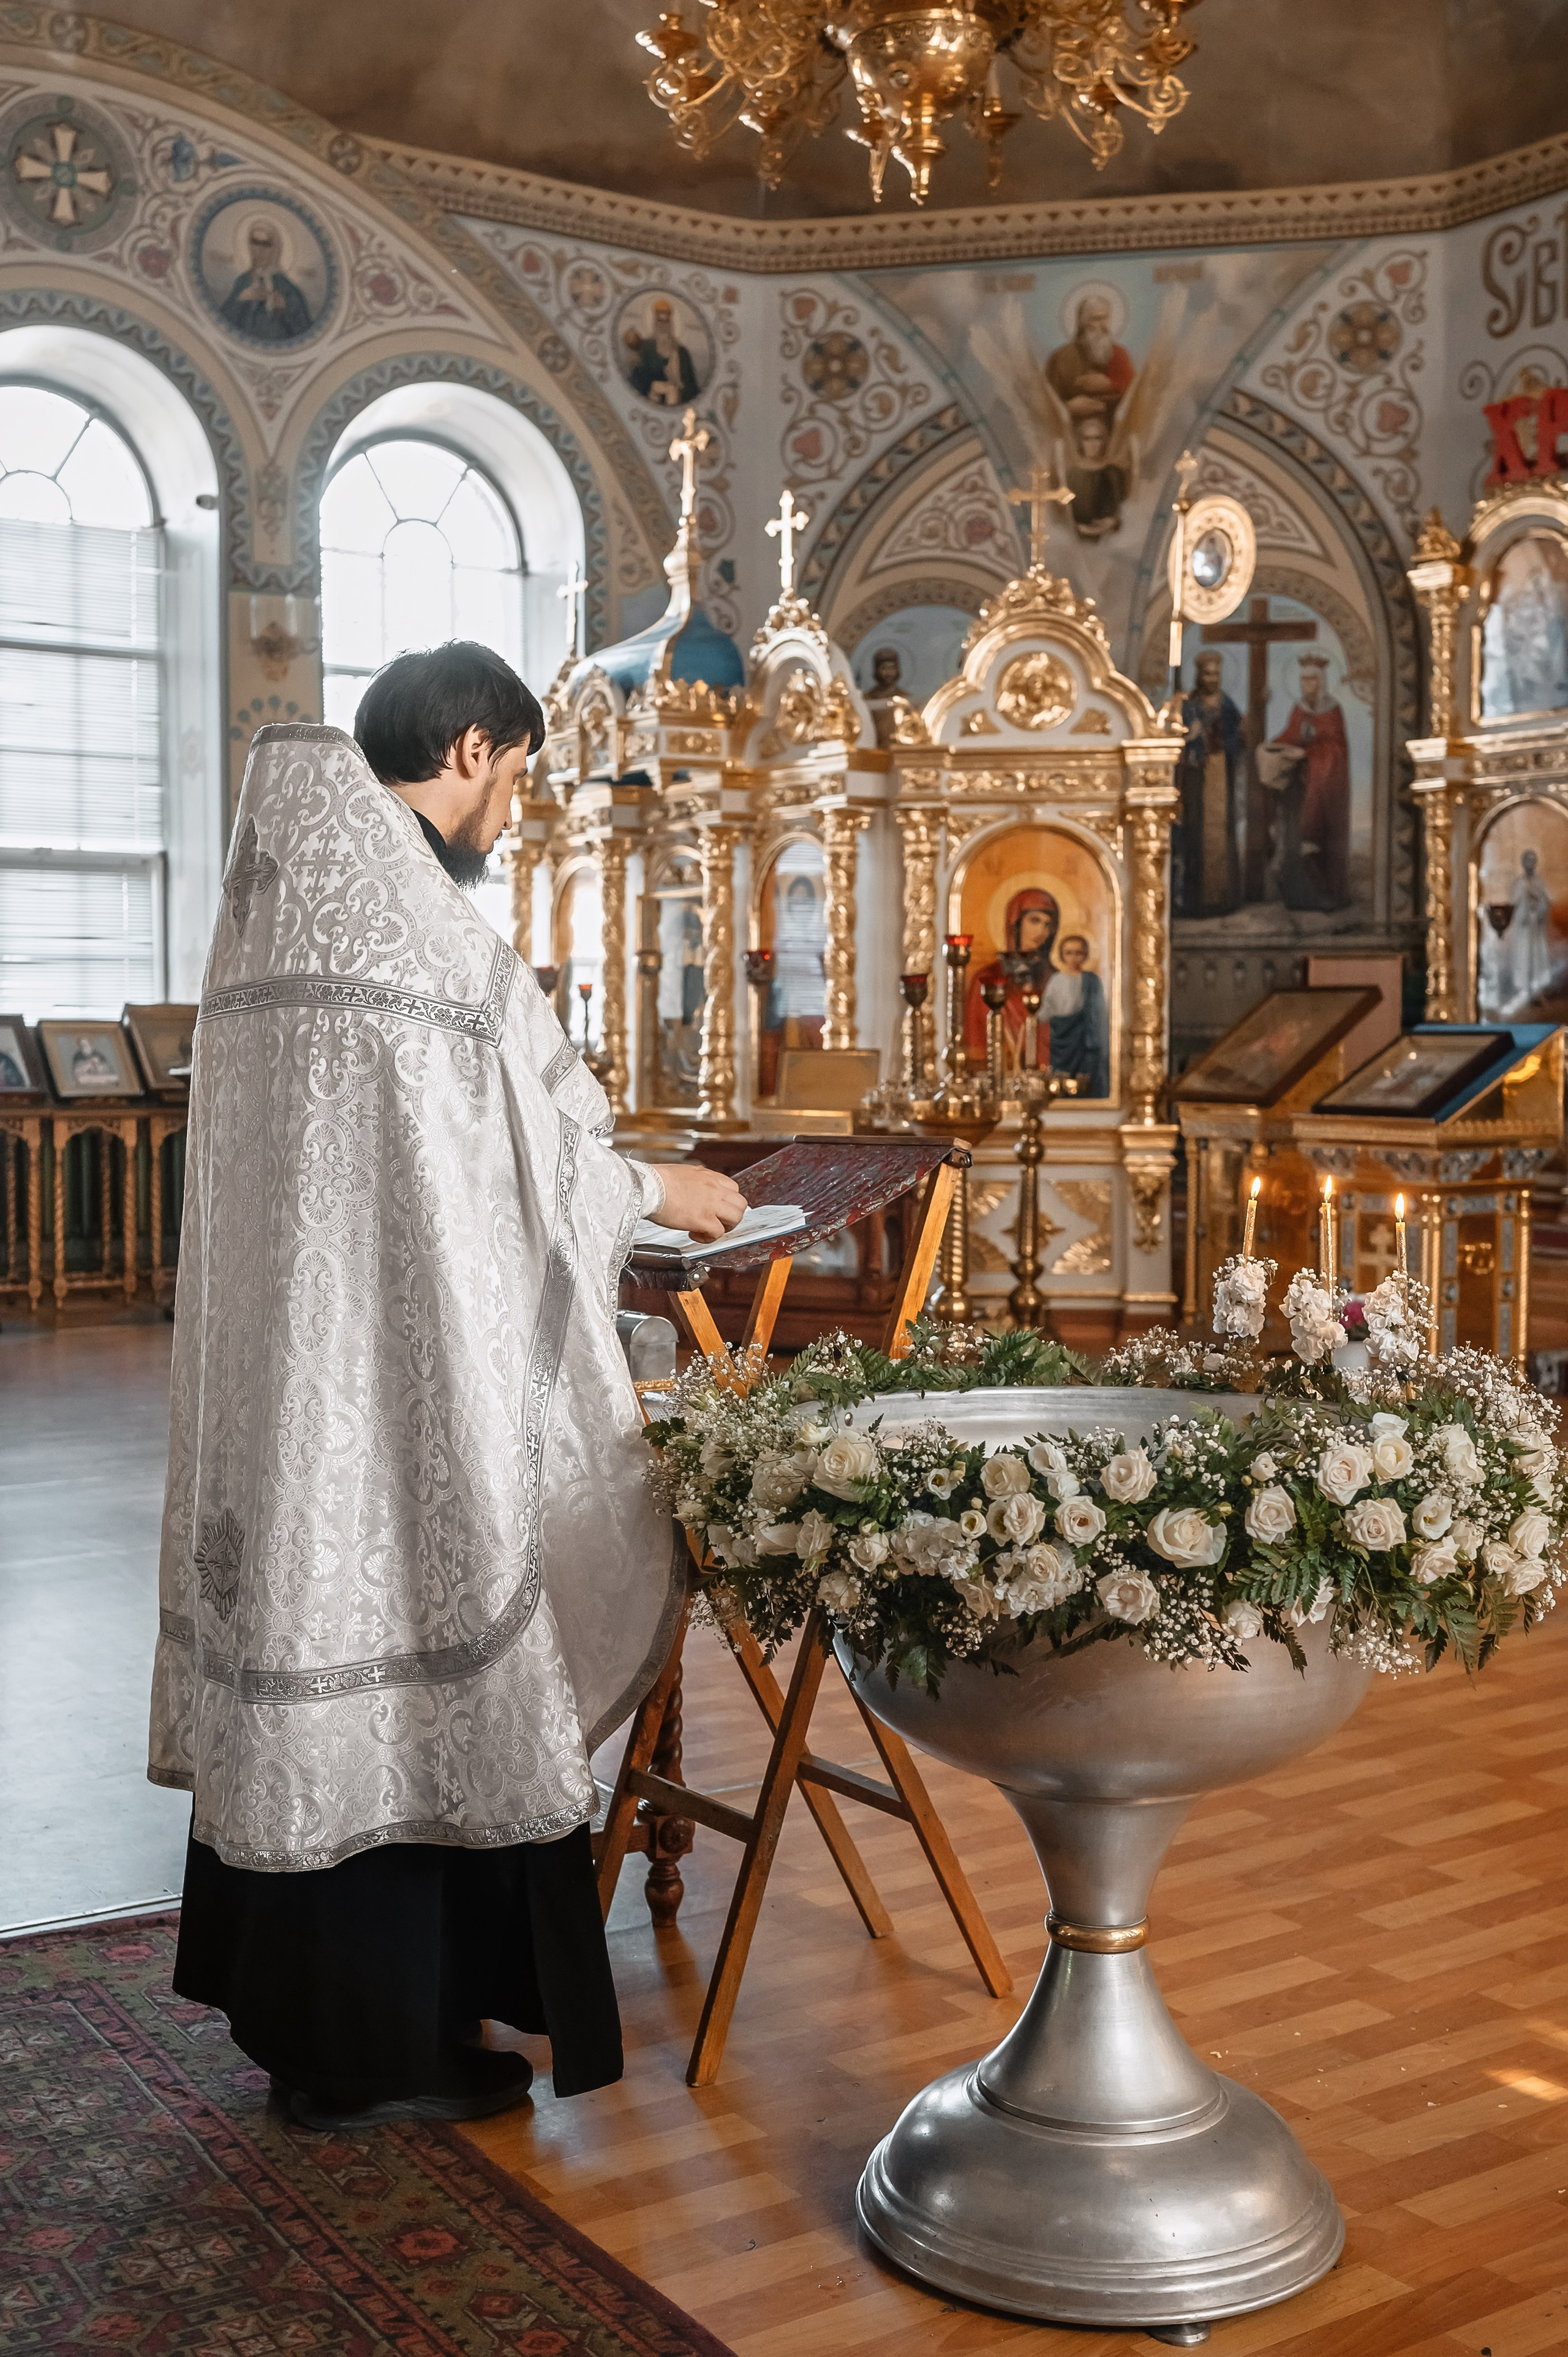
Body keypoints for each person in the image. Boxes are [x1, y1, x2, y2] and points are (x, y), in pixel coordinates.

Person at [151, 640, 745, 2132]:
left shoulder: (271, 924)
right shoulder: (432, 945)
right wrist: (657, 1187)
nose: (515, 812)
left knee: (313, 1664)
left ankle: (308, 2027)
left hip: (286, 1412)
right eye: (521, 775)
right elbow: (520, 1172)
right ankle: (395, 2042)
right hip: (404, 1411)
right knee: (432, 1667)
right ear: (474, 748)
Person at [1263, 653, 1351, 910]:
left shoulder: (1332, 711)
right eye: (1303, 680)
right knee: (1293, 837)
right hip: (1299, 788)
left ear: (1321, 681)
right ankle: (1299, 897)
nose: (1306, 685)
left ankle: (1326, 895)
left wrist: (1310, 753)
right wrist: (1273, 747)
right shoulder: (1299, 709)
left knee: (1319, 839)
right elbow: (1290, 736)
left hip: (1325, 789)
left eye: (1312, 679)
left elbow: (1336, 750)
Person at [1176, 649, 1246, 915]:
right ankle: (1196, 901)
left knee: (1220, 833)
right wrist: (1192, 737)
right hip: (1196, 775)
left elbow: (1236, 738)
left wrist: (1234, 737)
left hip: (1220, 773)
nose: (1212, 679)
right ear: (1199, 675)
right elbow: (1179, 739)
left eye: (1216, 674)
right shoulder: (1189, 704)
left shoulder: (1226, 704)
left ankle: (1222, 898)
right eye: (1207, 674)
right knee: (1195, 834)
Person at [965, 888, 1059, 1067]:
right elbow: (976, 1043)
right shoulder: (986, 979)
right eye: (1034, 921)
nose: (1042, 931)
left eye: (1048, 925)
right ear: (1016, 924)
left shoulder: (1056, 979)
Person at [219, 217, 313, 342]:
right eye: (255, 242)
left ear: (275, 249)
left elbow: (306, 333)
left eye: (266, 244)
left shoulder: (288, 288)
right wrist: (241, 299)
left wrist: (285, 309)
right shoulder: (243, 281)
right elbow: (221, 322)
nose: (259, 250)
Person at [1042, 933, 1109, 1098]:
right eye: (1069, 953)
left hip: (1085, 1040)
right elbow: (1046, 1011)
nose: (1074, 958)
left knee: (1085, 1082)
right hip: (1062, 1039)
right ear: (1062, 955)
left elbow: (1100, 1013)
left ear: (1085, 955)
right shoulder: (1056, 981)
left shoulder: (1092, 981)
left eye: (1078, 953)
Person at [624, 297, 699, 406]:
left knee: (672, 390)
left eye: (666, 322)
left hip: (677, 403)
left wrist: (679, 384)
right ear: (655, 322)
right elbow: (637, 379)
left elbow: (692, 389)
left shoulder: (682, 353)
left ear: (671, 323)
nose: (663, 327)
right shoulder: (646, 347)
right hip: (651, 399)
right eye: (660, 322)